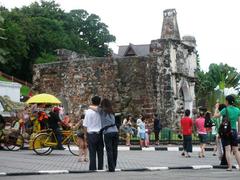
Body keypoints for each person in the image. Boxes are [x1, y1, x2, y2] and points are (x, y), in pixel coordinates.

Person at [90, 98, 119, 172]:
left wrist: (90, 106)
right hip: (115, 131)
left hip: (107, 132)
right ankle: (114, 165)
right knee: (115, 150)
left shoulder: (102, 111)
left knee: (109, 150)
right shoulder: (112, 111)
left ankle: (111, 168)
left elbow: (92, 107)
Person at [214, 95, 240, 171]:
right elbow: (239, 121)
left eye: (225, 101)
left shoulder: (225, 109)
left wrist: (216, 108)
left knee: (227, 149)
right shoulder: (238, 110)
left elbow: (216, 116)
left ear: (227, 101)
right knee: (236, 150)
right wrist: (238, 132)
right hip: (234, 130)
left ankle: (230, 167)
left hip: (226, 131)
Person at [83, 96, 104, 171]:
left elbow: (85, 125)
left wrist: (85, 135)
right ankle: (100, 168)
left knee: (92, 153)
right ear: (99, 102)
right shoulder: (101, 111)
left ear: (92, 102)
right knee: (100, 153)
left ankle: (92, 168)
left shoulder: (88, 112)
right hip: (100, 134)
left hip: (91, 134)